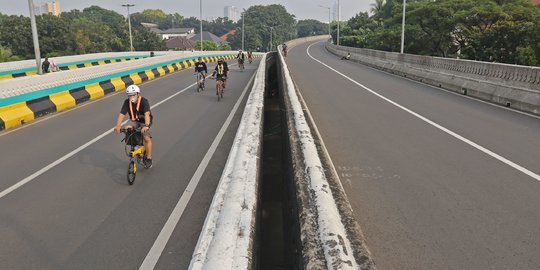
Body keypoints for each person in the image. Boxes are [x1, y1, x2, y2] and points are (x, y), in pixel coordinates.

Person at [114, 85, 154, 168]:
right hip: (134, 121)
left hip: (144, 122)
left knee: (146, 137)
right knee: (127, 128)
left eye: (133, 95)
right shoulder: (126, 102)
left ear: (138, 94)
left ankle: (149, 158)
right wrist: (118, 126)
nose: (131, 97)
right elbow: (122, 114)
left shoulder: (144, 101)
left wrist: (146, 125)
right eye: (129, 95)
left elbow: (147, 114)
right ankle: (137, 146)